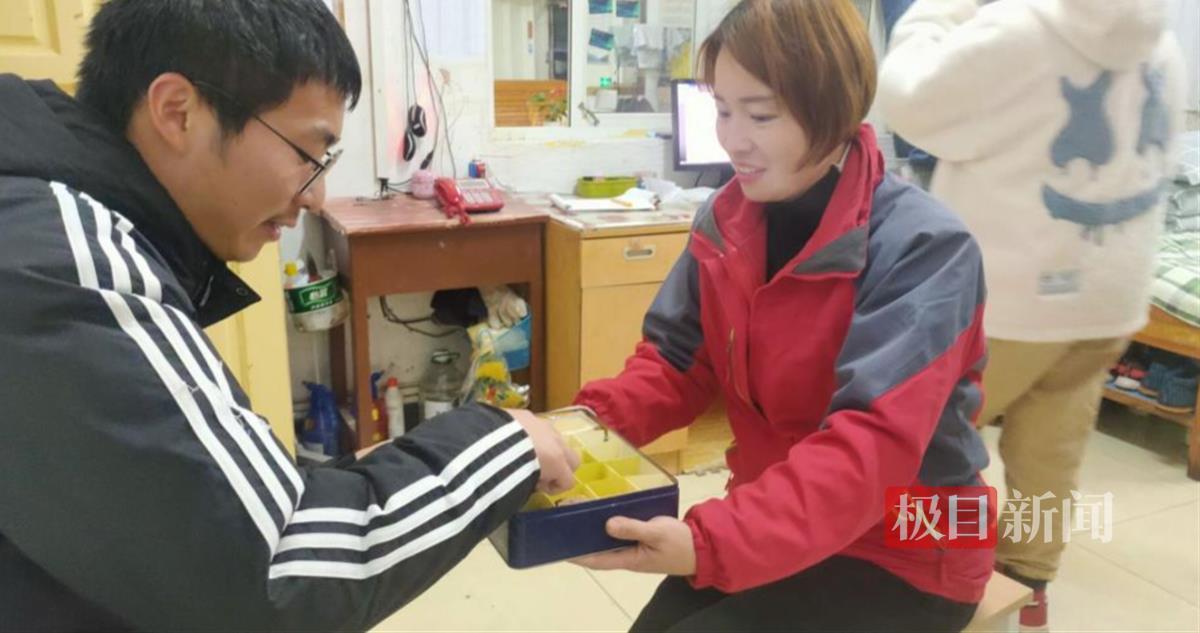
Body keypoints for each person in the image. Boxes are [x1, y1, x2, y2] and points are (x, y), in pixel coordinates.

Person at [0, 1, 578, 630]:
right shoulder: (63, 260)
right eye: (307, 153)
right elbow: (275, 567)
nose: (316, 195)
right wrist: (503, 443)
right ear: (177, 111)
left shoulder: (50, 216)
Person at [572, 1, 993, 630]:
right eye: (722, 110)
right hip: (773, 517)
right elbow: (675, 362)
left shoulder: (924, 249)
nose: (732, 139)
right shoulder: (726, 219)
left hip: (909, 543)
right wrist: (576, 431)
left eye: (761, 115)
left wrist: (710, 544)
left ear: (835, 110)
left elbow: (869, 451)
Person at [878, 0, 1185, 628]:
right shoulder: (1161, 38)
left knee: (927, 435)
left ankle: (920, 568)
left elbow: (910, 104)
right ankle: (1027, 579)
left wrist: (936, 13)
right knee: (1052, 446)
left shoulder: (1016, 30)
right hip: (1109, 296)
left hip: (1012, 298)